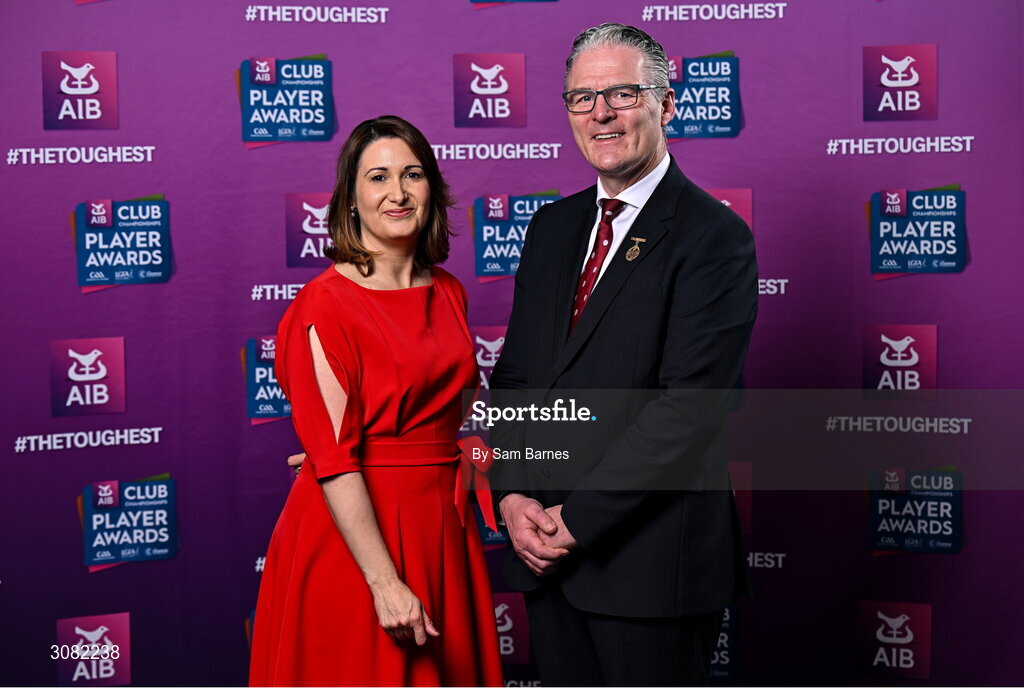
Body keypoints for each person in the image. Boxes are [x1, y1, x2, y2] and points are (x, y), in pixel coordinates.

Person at [488, 23, 758, 686]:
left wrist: (572, 522)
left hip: (652, 572)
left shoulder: (713, 237)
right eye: (582, 98)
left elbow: (687, 410)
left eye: (622, 94)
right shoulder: (551, 229)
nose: (600, 113)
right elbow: (518, 377)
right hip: (550, 563)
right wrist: (514, 491)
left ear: (666, 106)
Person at [249, 115, 503, 687]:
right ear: (350, 197)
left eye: (412, 175)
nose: (397, 192)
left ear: (431, 190)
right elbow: (337, 458)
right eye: (378, 177)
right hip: (359, 542)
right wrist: (384, 583)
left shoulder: (448, 291)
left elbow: (444, 418)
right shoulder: (324, 305)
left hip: (442, 523)